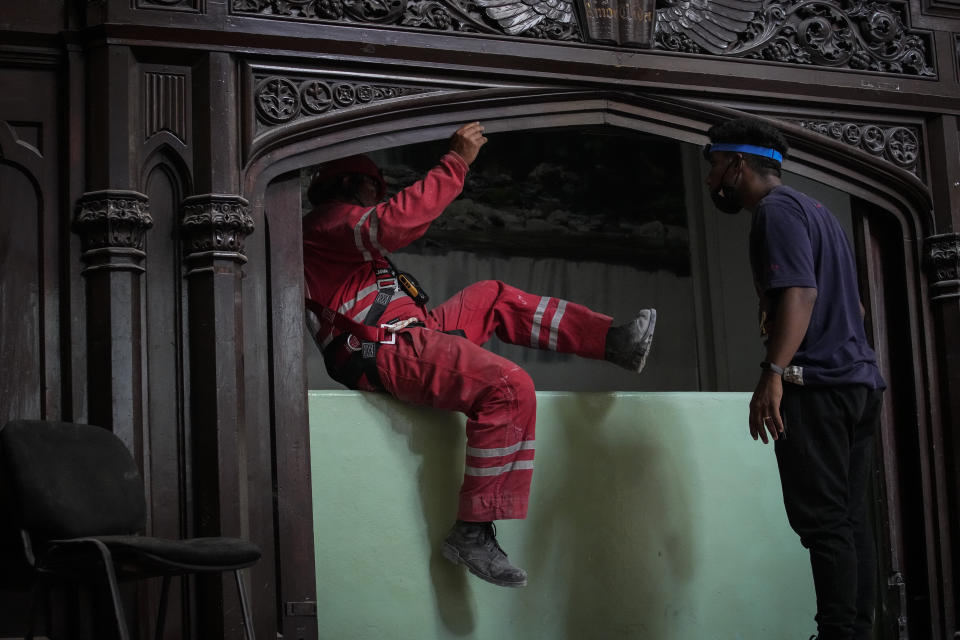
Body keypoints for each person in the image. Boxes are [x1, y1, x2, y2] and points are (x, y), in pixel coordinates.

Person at [302, 121, 657, 588]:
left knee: (494, 295)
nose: (375, 193)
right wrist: (455, 162)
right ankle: (473, 531)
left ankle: (613, 342)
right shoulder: (328, 222)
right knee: (508, 387)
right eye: (370, 185)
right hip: (385, 348)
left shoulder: (341, 235)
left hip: (410, 334)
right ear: (345, 185)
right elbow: (394, 223)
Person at [703, 117, 886, 640]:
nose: (711, 178)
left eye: (714, 164)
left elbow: (801, 293)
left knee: (825, 523)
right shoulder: (815, 210)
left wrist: (774, 373)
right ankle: (854, 632)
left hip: (818, 387)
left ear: (737, 164)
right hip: (858, 383)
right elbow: (855, 306)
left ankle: (837, 633)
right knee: (849, 520)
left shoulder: (776, 212)